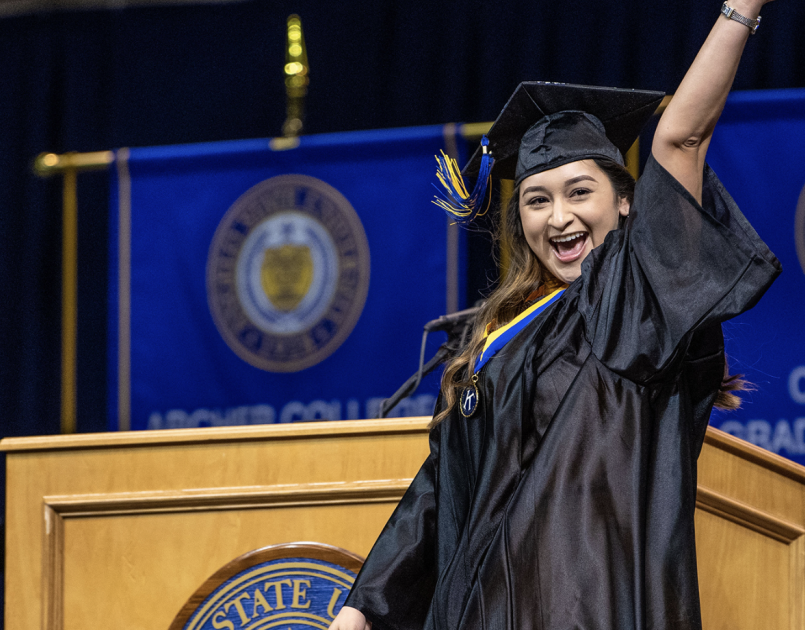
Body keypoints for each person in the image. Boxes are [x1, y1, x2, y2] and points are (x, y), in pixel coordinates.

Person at [331, 1, 778, 628]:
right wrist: (360, 609)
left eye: (580, 192)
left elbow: (682, 137)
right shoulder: (497, 341)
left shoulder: (637, 303)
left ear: (626, 203)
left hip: (592, 605)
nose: (558, 217)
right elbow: (439, 490)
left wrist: (740, 10)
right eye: (537, 200)